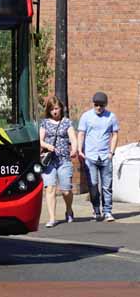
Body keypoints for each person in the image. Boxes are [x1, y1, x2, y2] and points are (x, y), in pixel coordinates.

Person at [77, 91, 119, 222]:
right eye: (96, 105)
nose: (98, 107)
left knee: (107, 186)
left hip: (105, 156)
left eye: (101, 105)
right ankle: (96, 209)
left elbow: (115, 134)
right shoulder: (86, 116)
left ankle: (107, 211)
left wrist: (111, 152)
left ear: (105, 105)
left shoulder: (111, 117)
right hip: (90, 156)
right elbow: (81, 133)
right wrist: (79, 149)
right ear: (93, 104)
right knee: (93, 186)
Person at [39, 96, 78, 228]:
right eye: (51, 109)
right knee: (50, 188)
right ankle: (52, 218)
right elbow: (40, 140)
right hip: (49, 160)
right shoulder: (44, 123)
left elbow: (73, 138)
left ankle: (69, 209)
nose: (54, 111)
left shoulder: (66, 122)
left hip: (64, 160)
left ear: (61, 108)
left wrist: (74, 149)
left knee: (66, 190)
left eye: (56, 108)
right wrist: (47, 146)